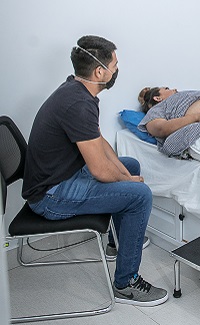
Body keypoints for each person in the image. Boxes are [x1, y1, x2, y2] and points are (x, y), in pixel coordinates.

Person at [22, 36, 168, 307]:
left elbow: (98, 141)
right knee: (140, 195)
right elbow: (100, 170)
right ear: (100, 72)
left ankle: (119, 243)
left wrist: (126, 175)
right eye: (115, 65)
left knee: (130, 166)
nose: (117, 70)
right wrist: (130, 182)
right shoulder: (78, 104)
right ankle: (126, 284)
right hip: (50, 195)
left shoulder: (76, 89)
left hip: (60, 178)